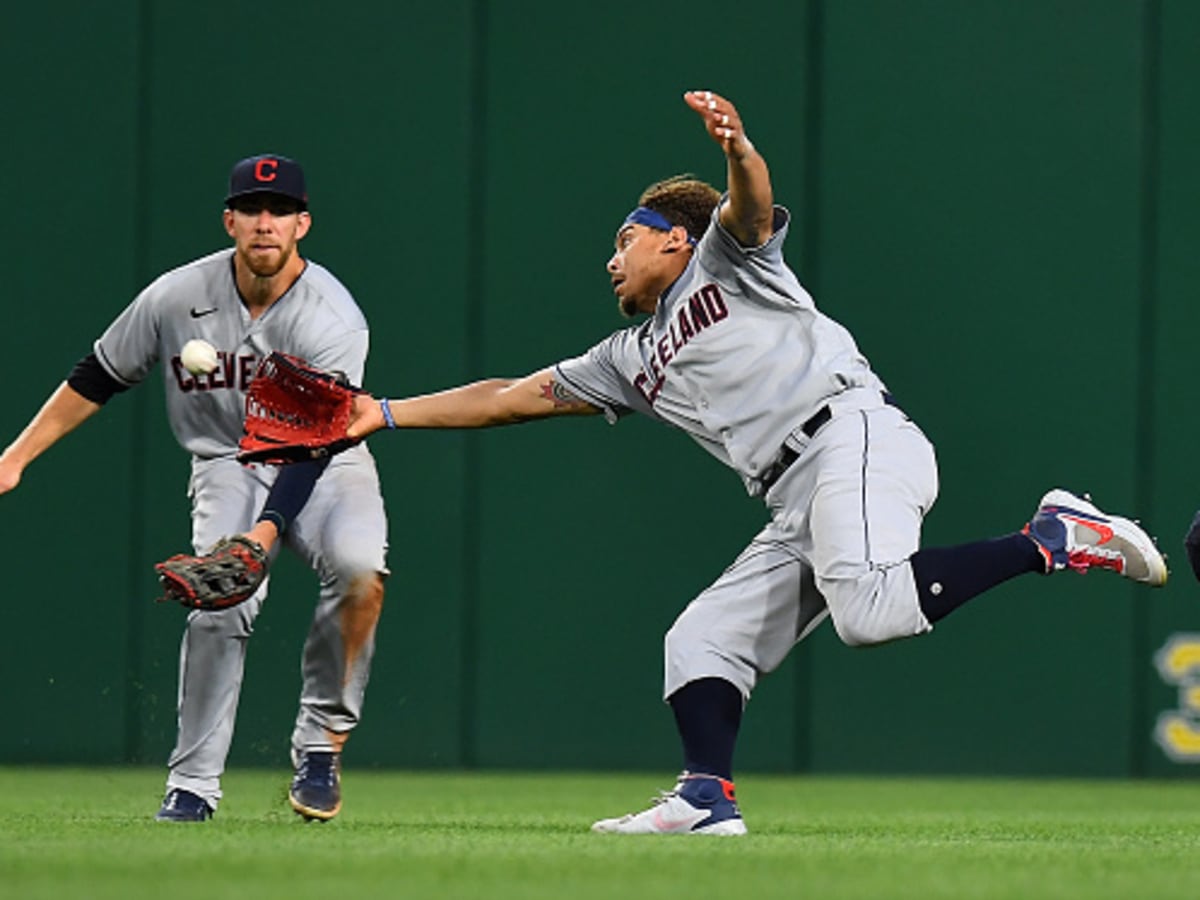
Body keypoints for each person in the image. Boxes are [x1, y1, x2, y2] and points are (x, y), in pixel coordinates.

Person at [344, 90, 1166, 835]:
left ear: (676, 240)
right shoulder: (628, 357)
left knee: (871, 612)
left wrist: (736, 149)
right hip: (796, 492)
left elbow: (749, 204)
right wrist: (379, 413)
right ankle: (706, 797)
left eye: (625, 240)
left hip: (852, 436)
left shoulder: (728, 263)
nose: (612, 260)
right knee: (702, 640)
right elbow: (507, 396)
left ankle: (1053, 536)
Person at [0, 154, 389, 823]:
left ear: (303, 223)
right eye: (252, 208)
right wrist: (16, 456)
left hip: (325, 458)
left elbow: (318, 438)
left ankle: (320, 744)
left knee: (361, 572)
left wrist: (263, 535)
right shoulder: (176, 296)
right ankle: (193, 787)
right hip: (225, 460)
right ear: (229, 219)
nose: (265, 223)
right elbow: (99, 373)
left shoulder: (333, 316)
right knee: (220, 602)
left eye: (279, 210)